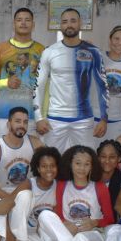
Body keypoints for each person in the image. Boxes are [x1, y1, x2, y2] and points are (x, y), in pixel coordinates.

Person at [37, 145, 121, 241]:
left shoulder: (99, 187)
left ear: (92, 166)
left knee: (116, 229)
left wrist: (94, 223)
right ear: (70, 164)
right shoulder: (62, 185)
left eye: (86, 164)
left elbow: (110, 218)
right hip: (68, 234)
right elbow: (58, 214)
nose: (81, 168)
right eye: (77, 163)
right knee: (44, 217)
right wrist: (65, 223)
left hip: (92, 235)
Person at [35, 8, 108, 152]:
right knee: (51, 163)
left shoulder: (93, 51)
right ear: (60, 26)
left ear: (80, 23)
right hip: (55, 119)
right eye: (65, 22)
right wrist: (38, 117)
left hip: (84, 120)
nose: (69, 25)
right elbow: (38, 86)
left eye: (73, 21)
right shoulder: (49, 52)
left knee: (86, 162)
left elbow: (102, 86)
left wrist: (103, 118)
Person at [0, 107, 43, 241]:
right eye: (17, 121)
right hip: (0, 195)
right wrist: (7, 199)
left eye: (25, 122)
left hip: (23, 197)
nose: (21, 125)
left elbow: (48, 171)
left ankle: (13, 239)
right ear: (9, 124)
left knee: (26, 194)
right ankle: (9, 238)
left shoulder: (35, 143)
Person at [0, 6, 45, 138]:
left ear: (33, 25)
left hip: (32, 116)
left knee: (33, 157)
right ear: (14, 24)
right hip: (4, 115)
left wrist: (42, 116)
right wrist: (6, 83)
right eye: (19, 20)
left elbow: (47, 86)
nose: (23, 23)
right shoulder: (0, 49)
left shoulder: (42, 51)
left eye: (27, 20)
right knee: (4, 156)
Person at [10, 146, 60, 241]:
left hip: (36, 233)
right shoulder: (29, 183)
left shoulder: (59, 186)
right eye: (44, 166)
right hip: (19, 228)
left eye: (52, 166)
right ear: (38, 168)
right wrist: (9, 234)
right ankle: (14, 239)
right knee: (25, 195)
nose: (49, 170)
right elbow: (8, 204)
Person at [99, 25, 121, 141]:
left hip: (120, 121)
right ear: (110, 40)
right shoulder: (98, 57)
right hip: (97, 119)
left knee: (116, 156)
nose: (120, 43)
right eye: (116, 38)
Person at [96, 139, 121, 212]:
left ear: (119, 158)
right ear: (98, 158)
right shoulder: (89, 177)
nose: (107, 161)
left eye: (112, 157)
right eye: (103, 156)